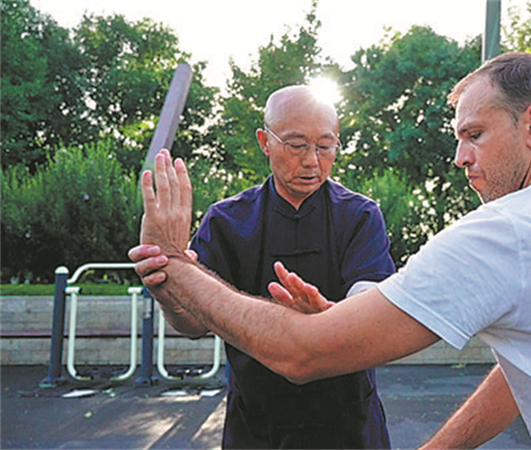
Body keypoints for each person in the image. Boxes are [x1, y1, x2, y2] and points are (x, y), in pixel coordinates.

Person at [132, 52, 531, 449]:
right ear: (266, 142)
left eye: (474, 135)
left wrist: (175, 265)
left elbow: (303, 354)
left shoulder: (506, 232)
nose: (459, 156)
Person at [140, 85, 395, 449]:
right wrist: (167, 288)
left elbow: (370, 298)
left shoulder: (359, 215)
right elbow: (193, 324)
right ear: (265, 141)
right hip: (256, 427)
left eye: (325, 146)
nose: (312, 160)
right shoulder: (227, 221)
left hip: (348, 424)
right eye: (296, 145)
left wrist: (336, 317)